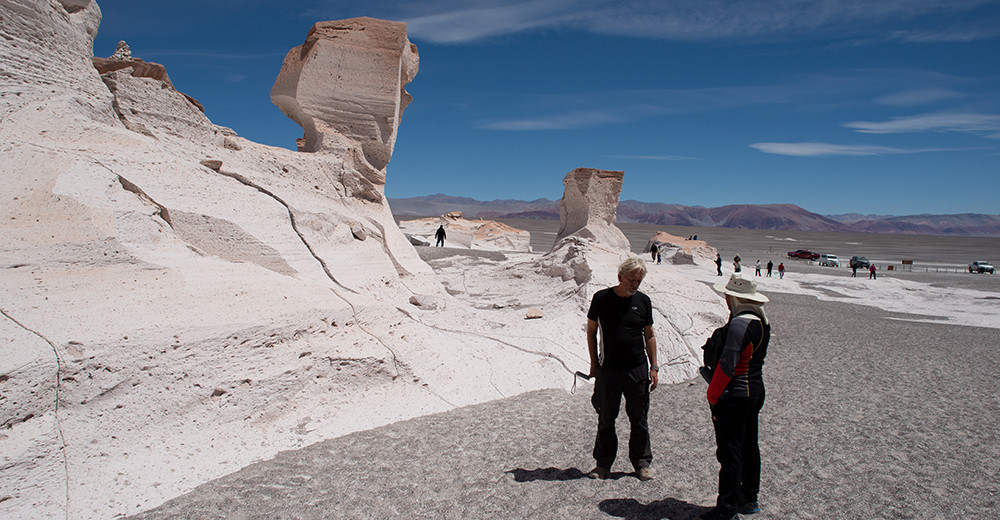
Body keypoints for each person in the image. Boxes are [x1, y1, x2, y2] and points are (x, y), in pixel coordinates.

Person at [702, 274, 771, 520]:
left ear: (735, 298)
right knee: (750, 446)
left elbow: (728, 365)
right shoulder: (762, 322)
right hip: (755, 390)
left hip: (736, 393)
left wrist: (713, 394)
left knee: (730, 452)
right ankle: (749, 498)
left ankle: (727, 509)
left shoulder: (740, 324)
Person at [586, 257, 659, 482]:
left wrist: (654, 366)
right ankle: (603, 464)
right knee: (606, 417)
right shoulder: (601, 299)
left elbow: (649, 334)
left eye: (639, 280)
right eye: (631, 279)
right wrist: (594, 363)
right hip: (609, 369)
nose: (635, 284)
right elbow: (591, 332)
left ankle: (642, 463)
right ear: (620, 277)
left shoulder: (643, 301)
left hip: (637, 368)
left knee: (639, 418)